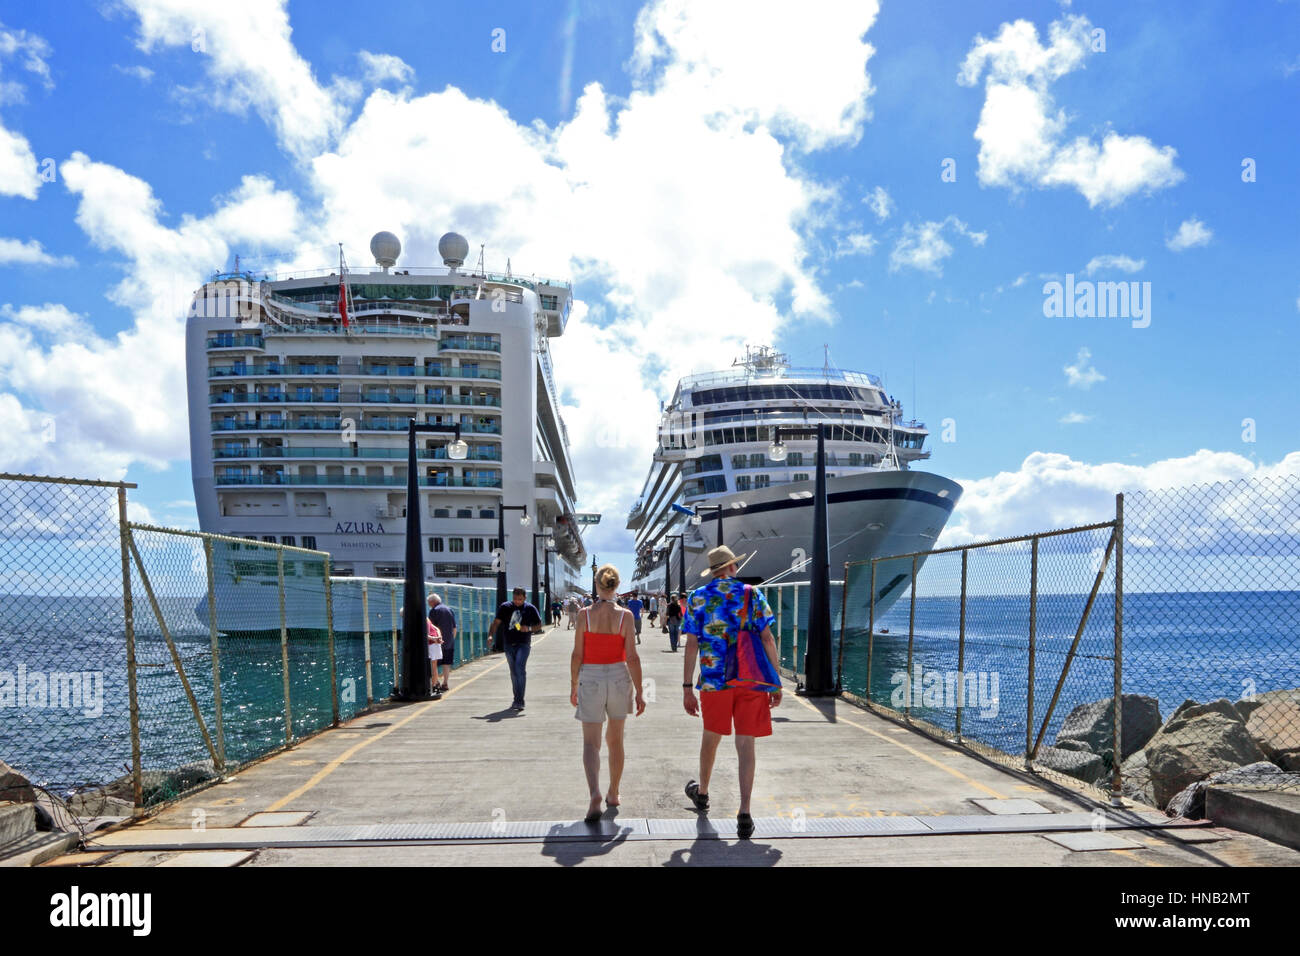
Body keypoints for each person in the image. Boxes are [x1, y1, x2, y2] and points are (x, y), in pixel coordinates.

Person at [681, 545, 782, 840]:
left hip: (714, 681)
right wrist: (775, 682)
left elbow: (691, 645)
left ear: (713, 571)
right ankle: (745, 812)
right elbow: (767, 639)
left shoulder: (698, 598)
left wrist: (688, 687)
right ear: (733, 568)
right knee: (746, 745)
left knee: (711, 738)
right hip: (749, 679)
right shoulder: (752, 594)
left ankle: (702, 793)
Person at [571, 563, 645, 823]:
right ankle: (614, 793)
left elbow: (577, 654)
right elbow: (633, 658)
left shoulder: (584, 615)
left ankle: (594, 794)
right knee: (616, 741)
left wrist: (573, 686)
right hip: (618, 677)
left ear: (597, 584)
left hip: (590, 676)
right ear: (616, 586)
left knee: (591, 743)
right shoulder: (625, 616)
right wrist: (639, 692)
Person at [487, 586, 544, 711]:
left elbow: (539, 625)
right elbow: (496, 622)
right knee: (513, 672)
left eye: (520, 599)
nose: (517, 601)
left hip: (523, 643)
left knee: (520, 669)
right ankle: (516, 698)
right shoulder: (505, 607)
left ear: (525, 598)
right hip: (509, 643)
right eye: (515, 599)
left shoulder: (530, 608)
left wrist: (528, 629)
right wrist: (490, 635)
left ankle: (520, 700)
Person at [427, 592, 457, 692]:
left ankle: (435, 683)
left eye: (429, 602)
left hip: (437, 642)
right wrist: (452, 639)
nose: (428, 604)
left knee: (434, 663)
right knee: (447, 663)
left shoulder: (434, 611)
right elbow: (454, 628)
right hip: (449, 641)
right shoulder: (449, 609)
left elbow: (431, 628)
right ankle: (445, 683)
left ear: (433, 602)